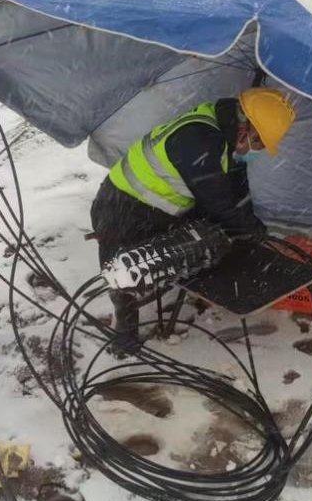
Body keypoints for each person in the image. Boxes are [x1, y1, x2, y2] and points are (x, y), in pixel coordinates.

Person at [90, 88, 296, 354]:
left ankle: (176, 282)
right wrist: (252, 235)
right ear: (246, 129)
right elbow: (219, 206)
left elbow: (237, 195)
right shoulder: (198, 140)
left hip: (156, 209)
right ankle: (124, 337)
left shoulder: (223, 137)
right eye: (258, 144)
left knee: (197, 244)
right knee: (123, 272)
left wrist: (256, 232)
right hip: (120, 206)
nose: (257, 151)